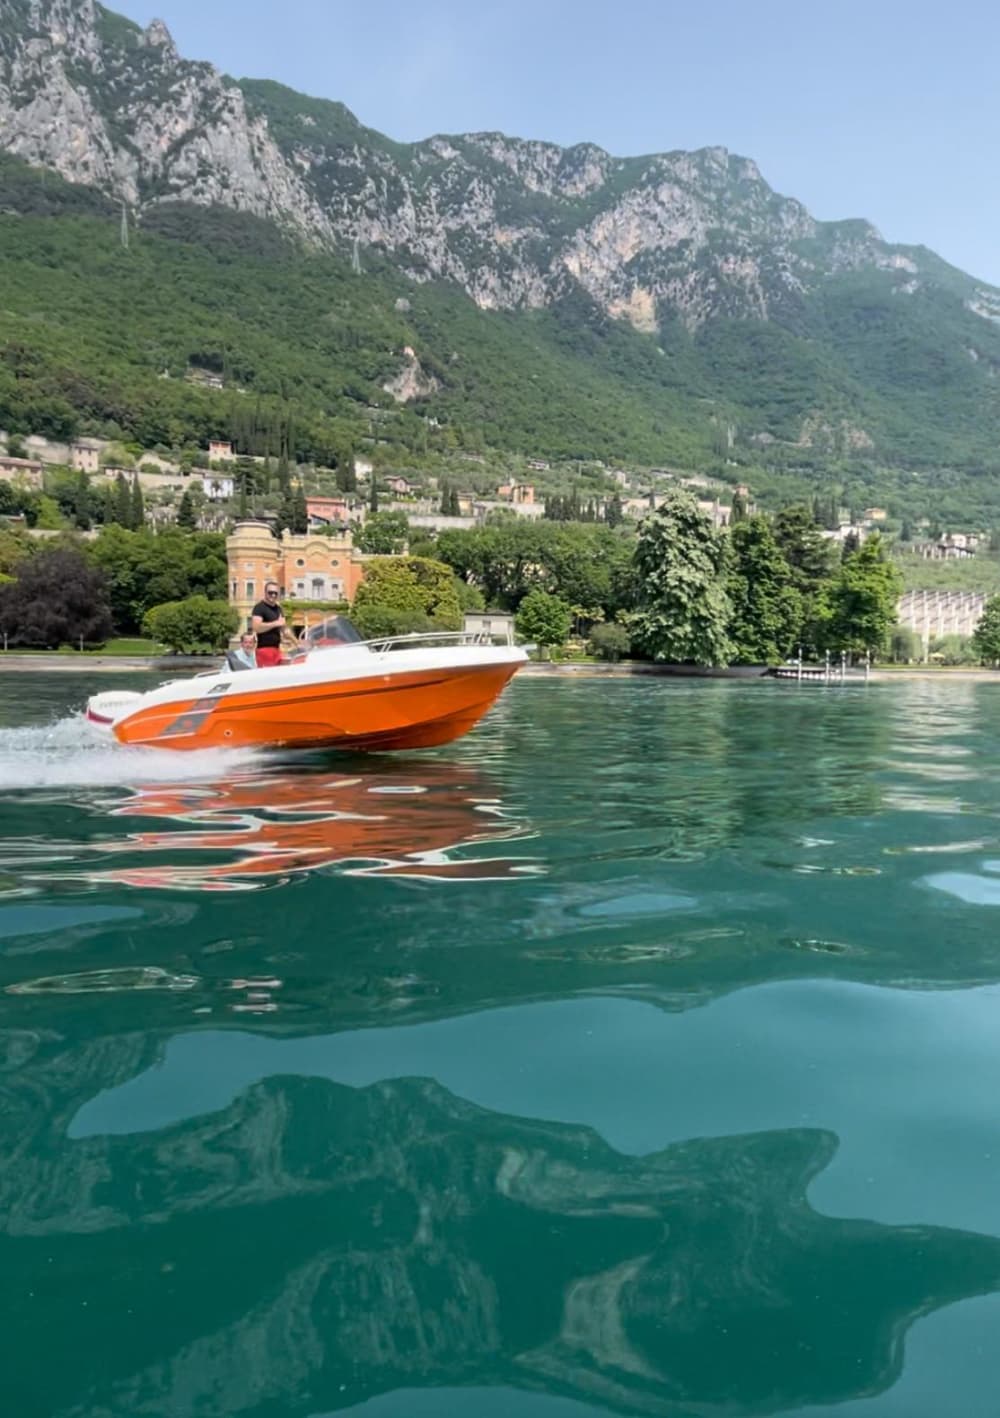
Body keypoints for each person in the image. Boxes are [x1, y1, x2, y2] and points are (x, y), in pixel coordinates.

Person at [251, 582, 287, 668]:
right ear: (265, 592)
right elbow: (256, 627)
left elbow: (284, 629)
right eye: (270, 592)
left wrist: (297, 642)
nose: (273, 595)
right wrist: (275, 623)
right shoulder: (259, 607)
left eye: (275, 593)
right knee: (268, 678)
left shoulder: (279, 609)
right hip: (264, 650)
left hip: (277, 649)